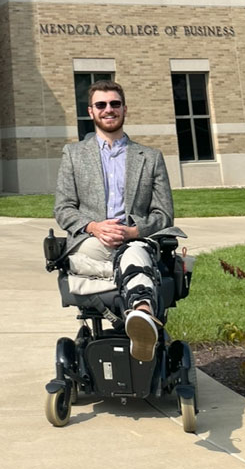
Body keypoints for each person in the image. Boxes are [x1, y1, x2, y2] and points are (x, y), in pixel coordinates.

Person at [54, 80, 175, 361]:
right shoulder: (73, 155)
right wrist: (95, 227)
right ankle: (137, 289)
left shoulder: (150, 157)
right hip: (93, 242)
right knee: (127, 262)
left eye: (114, 104)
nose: (109, 109)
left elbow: (164, 214)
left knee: (133, 253)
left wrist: (133, 232)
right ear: (91, 111)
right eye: (101, 105)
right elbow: (63, 209)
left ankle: (141, 317)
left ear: (124, 109)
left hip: (133, 241)